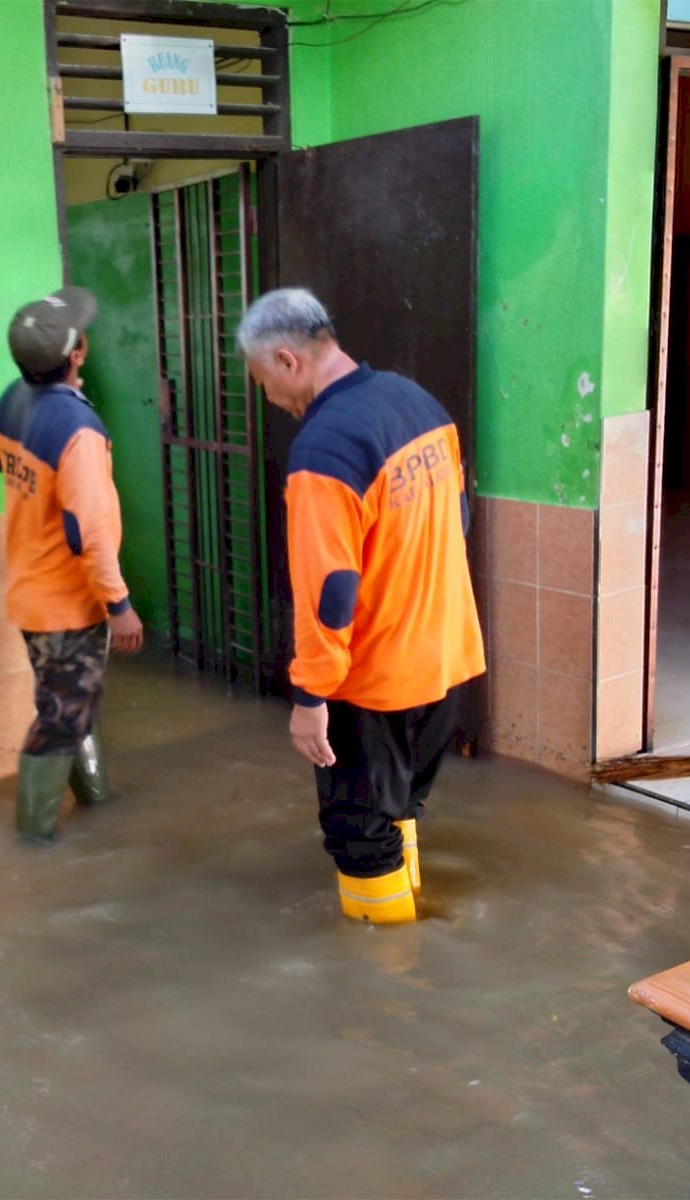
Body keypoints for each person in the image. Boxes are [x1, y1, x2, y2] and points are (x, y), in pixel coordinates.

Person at [237, 288, 486, 924]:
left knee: (358, 835)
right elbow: (458, 519)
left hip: (373, 682)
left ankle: (389, 965)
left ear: (288, 360)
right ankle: (416, 914)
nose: (269, 396)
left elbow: (331, 591)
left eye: (263, 380)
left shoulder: (325, 448)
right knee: (399, 803)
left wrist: (310, 699)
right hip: (445, 660)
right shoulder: (417, 402)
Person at [0, 286, 144, 840]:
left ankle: (96, 798)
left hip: (30, 591)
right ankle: (33, 839)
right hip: (65, 604)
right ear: (78, 353)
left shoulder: (14, 399)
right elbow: (89, 533)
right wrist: (119, 606)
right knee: (61, 716)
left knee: (73, 699)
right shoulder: (78, 430)